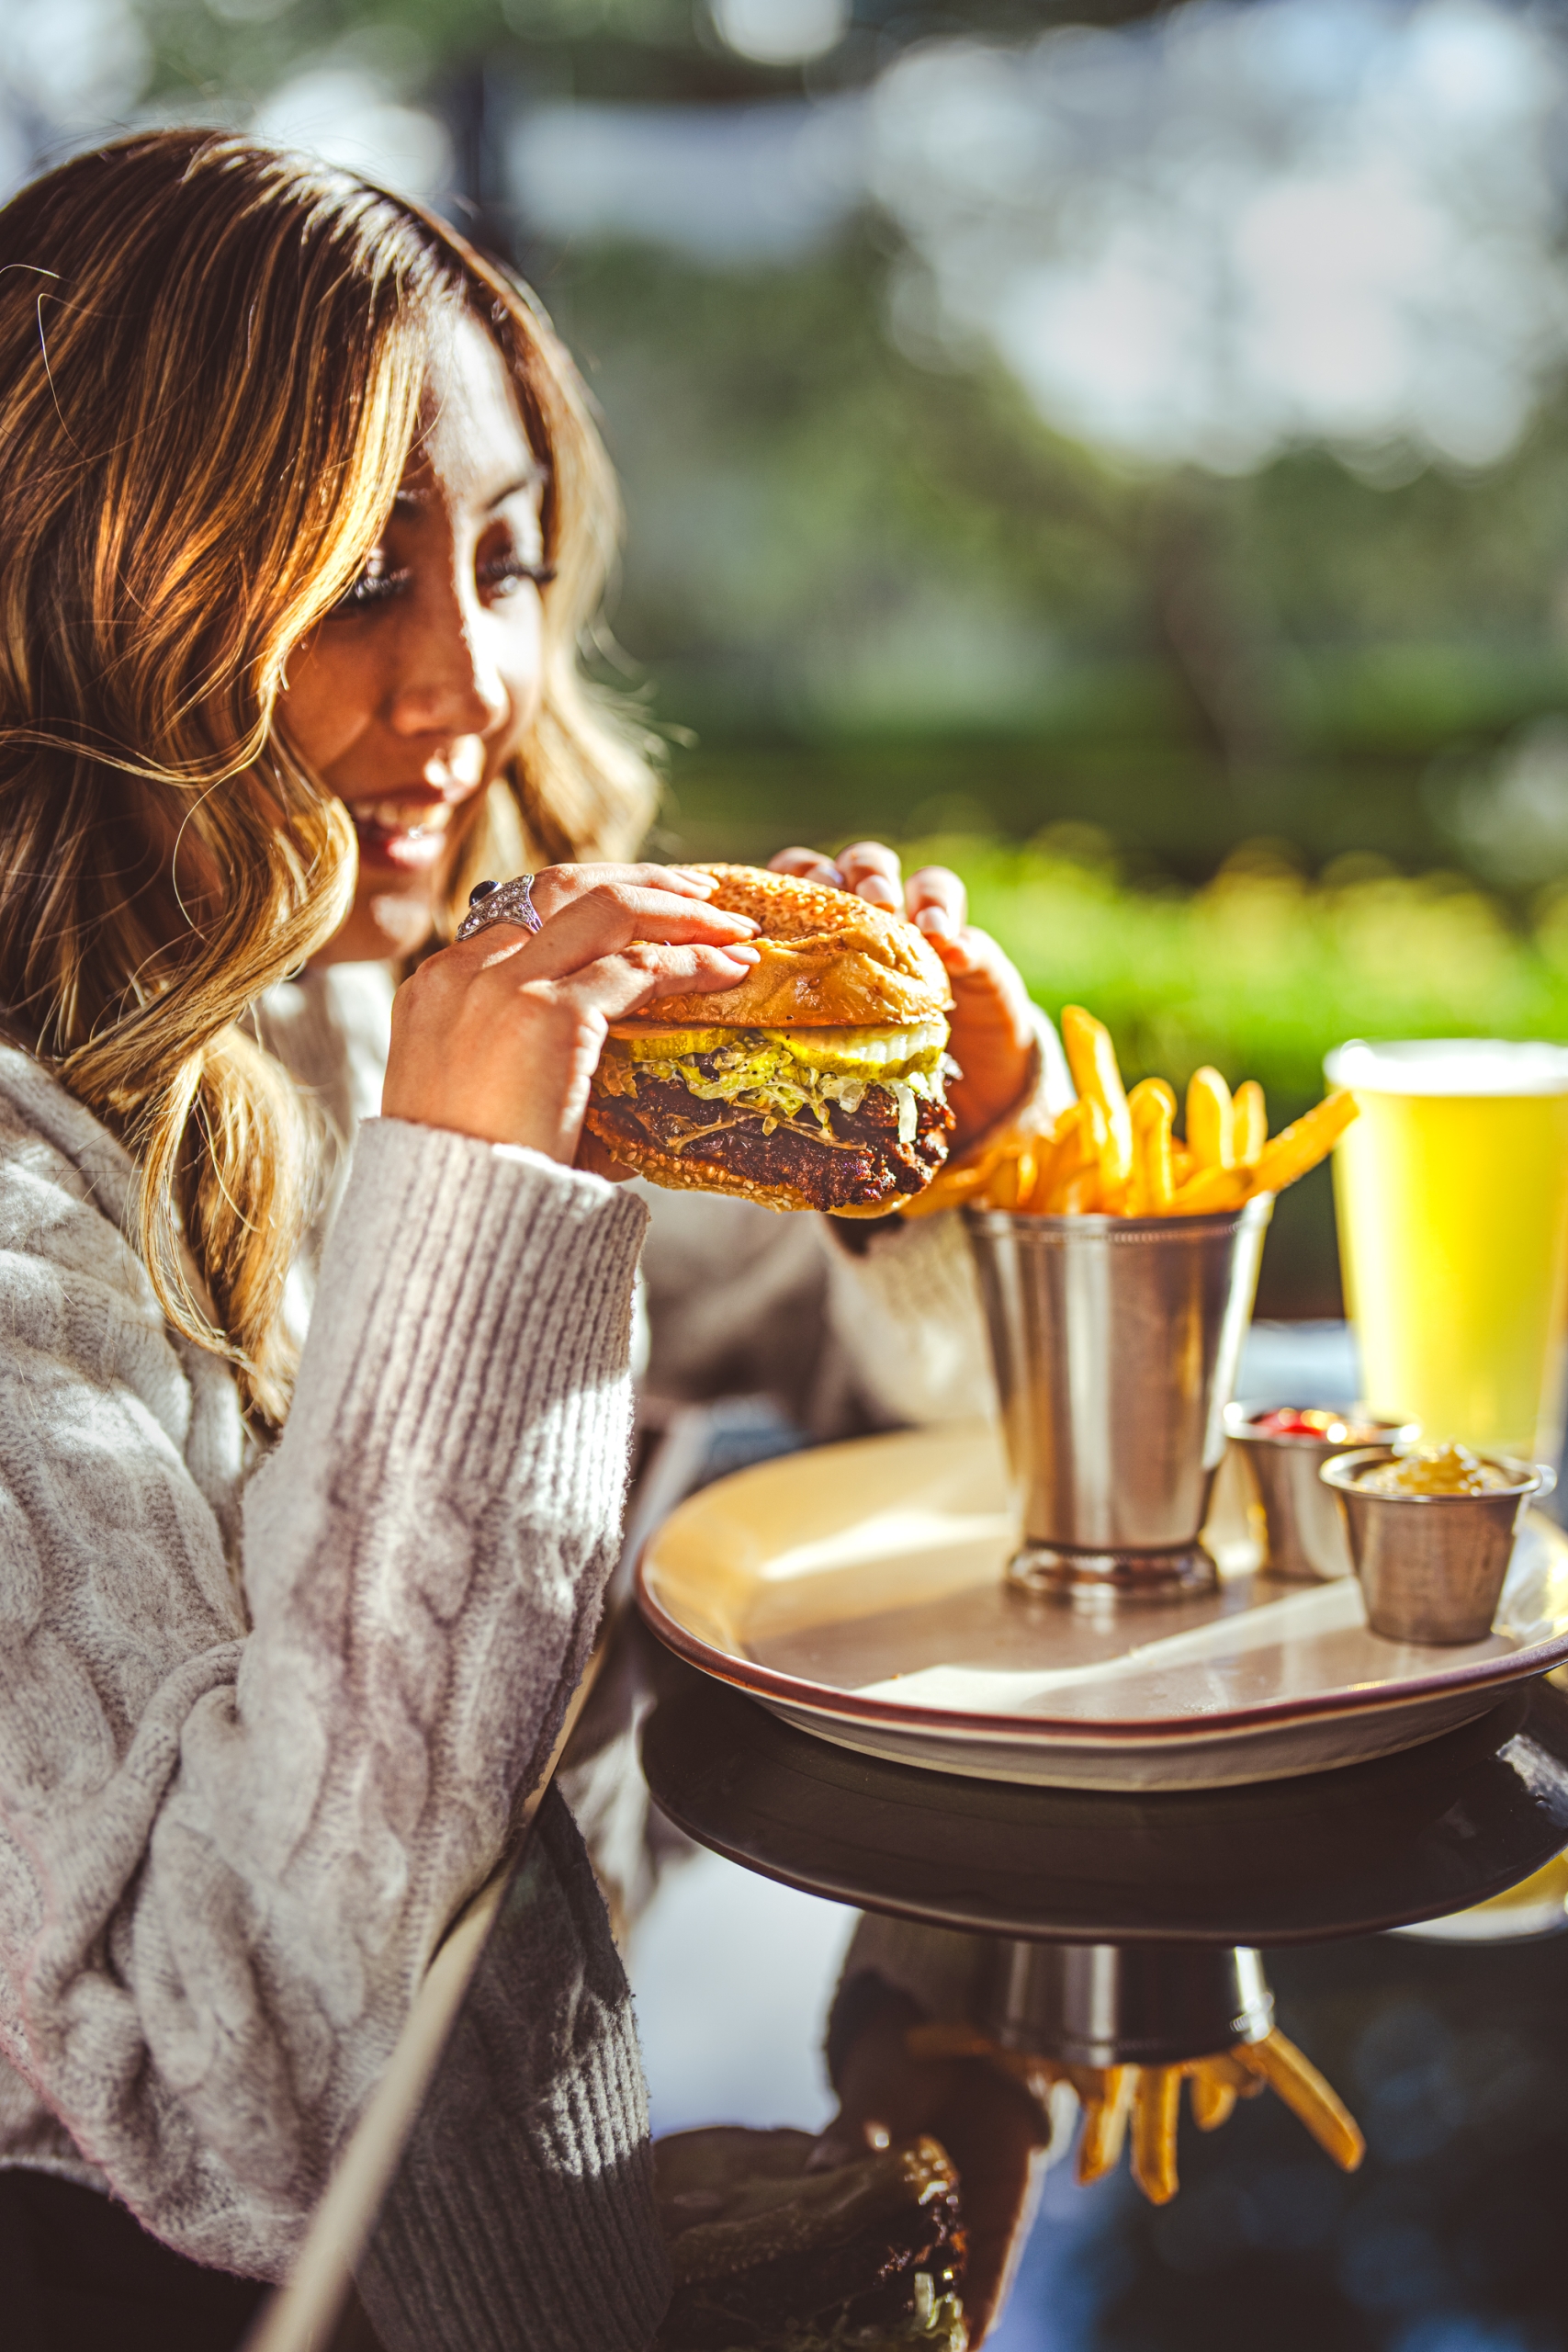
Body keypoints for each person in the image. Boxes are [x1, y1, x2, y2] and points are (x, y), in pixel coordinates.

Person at [0, 130, 1064, 2347]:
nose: (473, 683)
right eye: (357, 578)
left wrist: (936, 1158)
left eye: (504, 561)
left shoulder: (382, 997)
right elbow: (251, 2098)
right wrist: (475, 1197)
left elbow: (941, 1433)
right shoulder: (37, 1205)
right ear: (86, 588)